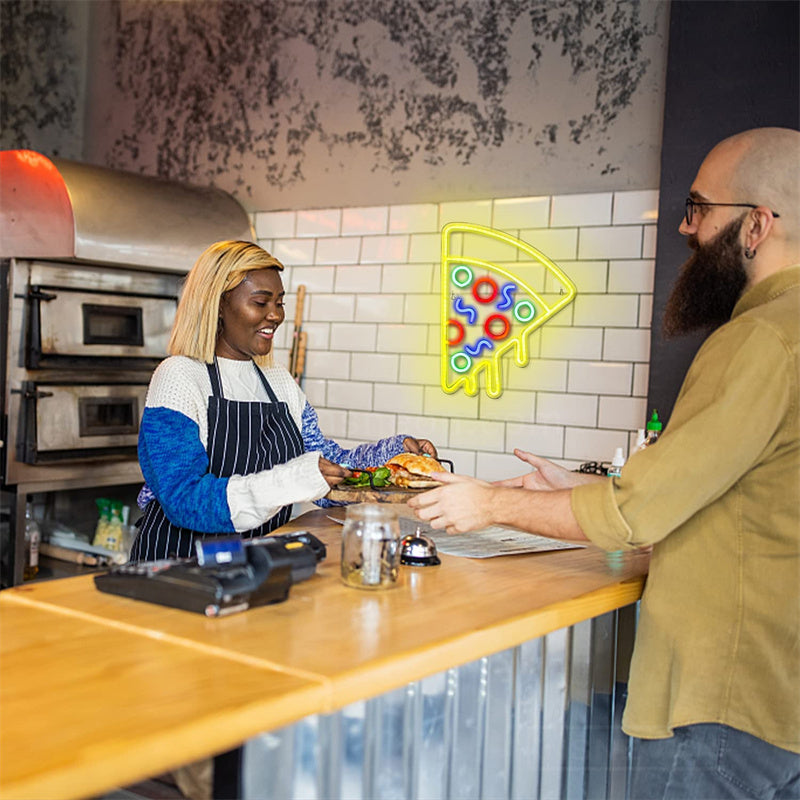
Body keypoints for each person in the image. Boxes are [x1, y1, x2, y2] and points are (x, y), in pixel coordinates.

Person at [409, 127, 800, 799]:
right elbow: (729, 490)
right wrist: (586, 485)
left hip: (720, 702)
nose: (685, 226)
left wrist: (487, 505)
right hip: (777, 696)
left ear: (757, 225)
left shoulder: (760, 339)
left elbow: (636, 515)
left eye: (699, 207)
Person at [131, 239, 436, 562]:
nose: (275, 315)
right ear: (218, 304)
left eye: (279, 303)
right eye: (261, 302)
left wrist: (394, 456)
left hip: (259, 564)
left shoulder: (278, 382)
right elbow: (185, 499)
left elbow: (327, 469)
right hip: (179, 567)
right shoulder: (179, 377)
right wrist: (291, 481)